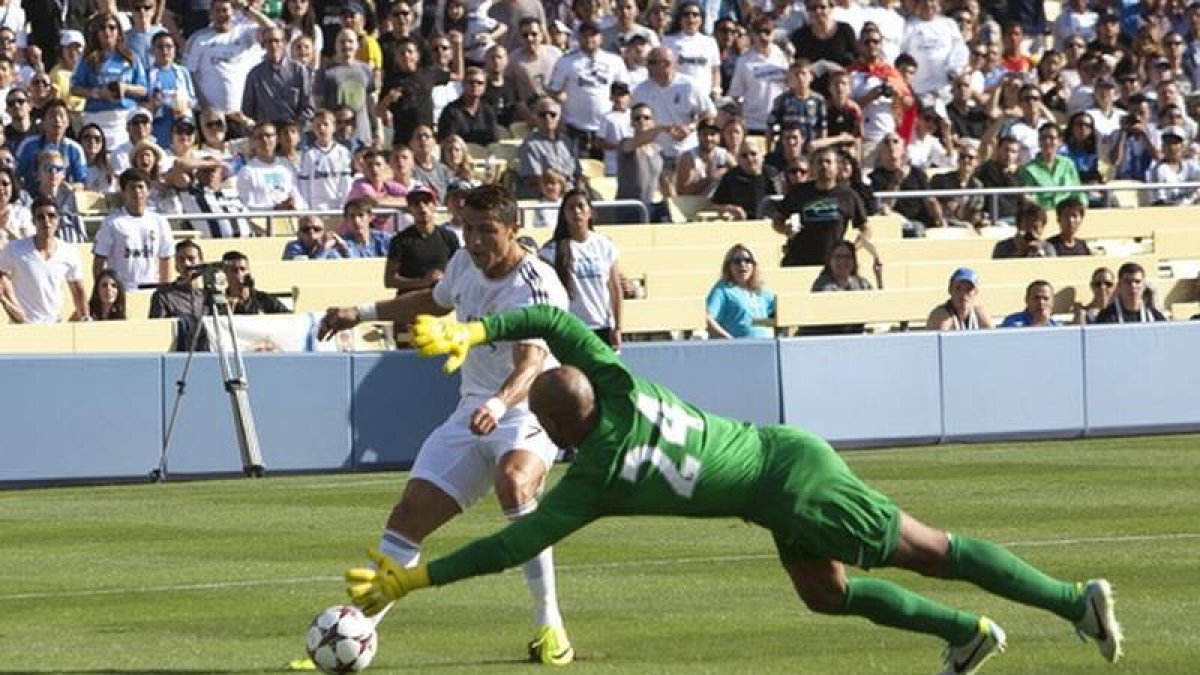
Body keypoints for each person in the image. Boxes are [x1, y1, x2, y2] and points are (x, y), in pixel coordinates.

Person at [333, 302, 1123, 675]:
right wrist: (474, 330)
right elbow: (557, 322)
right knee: (824, 593)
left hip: (798, 487)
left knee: (931, 549)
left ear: (562, 434)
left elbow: (514, 541)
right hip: (777, 463)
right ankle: (966, 634)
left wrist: (419, 574)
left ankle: (1070, 600)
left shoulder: (596, 477)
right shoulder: (615, 380)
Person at [312, 185, 576, 669]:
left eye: (486, 231)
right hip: (471, 413)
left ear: (514, 229)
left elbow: (532, 360)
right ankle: (348, 638)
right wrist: (362, 311)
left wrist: (498, 405)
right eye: (468, 229)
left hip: (526, 412)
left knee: (514, 483)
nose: (474, 241)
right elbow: (434, 301)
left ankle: (549, 624)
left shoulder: (535, 284)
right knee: (408, 516)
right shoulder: (462, 265)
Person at [539, 189, 622, 349]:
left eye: (580, 206)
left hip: (601, 326)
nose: (576, 212)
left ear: (590, 212)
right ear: (564, 214)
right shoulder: (551, 251)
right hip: (570, 328)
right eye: (570, 208)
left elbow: (615, 288)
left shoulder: (604, 245)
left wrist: (618, 326)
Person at [771, 147, 868, 267]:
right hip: (798, 261)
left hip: (832, 266)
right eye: (820, 162)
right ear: (812, 167)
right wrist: (785, 229)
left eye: (828, 162)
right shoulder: (799, 192)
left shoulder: (848, 196)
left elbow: (866, 229)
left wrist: (852, 248)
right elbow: (777, 220)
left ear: (837, 167)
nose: (824, 165)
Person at [0, 196, 88, 324]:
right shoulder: (14, 249)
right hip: (23, 327)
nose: (46, 221)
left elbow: (78, 291)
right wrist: (12, 306)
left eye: (51, 216)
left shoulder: (69, 252)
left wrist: (84, 317)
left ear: (58, 220)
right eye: (40, 217)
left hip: (54, 326)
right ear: (33, 221)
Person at [70, 12, 149, 149]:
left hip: (125, 117)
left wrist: (125, 88)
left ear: (119, 32)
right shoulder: (87, 59)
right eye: (102, 28)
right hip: (97, 116)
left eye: (112, 27)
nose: (107, 32)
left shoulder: (131, 57)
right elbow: (75, 88)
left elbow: (144, 89)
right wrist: (99, 93)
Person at [92, 168, 173, 291]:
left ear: (149, 191)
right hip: (122, 291)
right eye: (132, 187)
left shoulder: (159, 222)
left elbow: (166, 259)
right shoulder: (112, 223)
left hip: (152, 290)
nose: (137, 192)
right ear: (123, 192)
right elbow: (99, 261)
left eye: (141, 187)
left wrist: (165, 292)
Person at [384, 187, 459, 295]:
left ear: (434, 206)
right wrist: (422, 282)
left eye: (426, 202)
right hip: (410, 300)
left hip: (442, 300)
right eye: (416, 203)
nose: (421, 206)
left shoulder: (448, 237)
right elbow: (389, 280)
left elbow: (459, 270)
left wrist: (444, 278)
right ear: (410, 209)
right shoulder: (400, 240)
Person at [241, 26, 314, 131]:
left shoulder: (299, 71)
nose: (273, 45)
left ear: (284, 43)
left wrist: (295, 128)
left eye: (277, 41)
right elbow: (248, 110)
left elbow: (308, 107)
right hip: (267, 136)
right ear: (263, 45)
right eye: (269, 41)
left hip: (293, 133)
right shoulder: (255, 74)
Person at [704, 243, 775, 339]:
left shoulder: (762, 291)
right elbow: (707, 318)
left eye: (747, 260)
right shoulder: (723, 289)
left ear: (754, 265)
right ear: (729, 266)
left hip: (767, 347)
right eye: (737, 261)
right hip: (736, 349)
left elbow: (773, 317)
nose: (742, 264)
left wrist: (758, 325)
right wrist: (729, 340)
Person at [711, 142, 775, 220]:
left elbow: (783, 200)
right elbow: (714, 205)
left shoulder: (773, 174)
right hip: (741, 224)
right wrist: (731, 209)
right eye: (744, 156)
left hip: (769, 224)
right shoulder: (731, 177)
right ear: (738, 159)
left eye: (753, 154)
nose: (749, 158)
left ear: (762, 156)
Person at [149, 238, 206, 320]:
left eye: (191, 258)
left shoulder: (208, 296)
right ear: (176, 265)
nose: (186, 264)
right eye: (181, 260)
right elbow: (158, 329)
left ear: (201, 263)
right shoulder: (163, 296)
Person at [1095, 262, 1168, 324]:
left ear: (1143, 285)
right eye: (1127, 282)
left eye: (1137, 282)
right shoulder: (1106, 317)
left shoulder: (1154, 316)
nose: (1133, 286)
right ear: (1119, 285)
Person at [221, 250, 289, 315]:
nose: (240, 274)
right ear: (225, 273)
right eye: (234, 270)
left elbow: (289, 318)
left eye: (243, 269)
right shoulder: (220, 301)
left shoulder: (263, 300)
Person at [926, 267, 994, 331]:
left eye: (969, 289)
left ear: (976, 292)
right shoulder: (941, 315)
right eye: (958, 288)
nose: (963, 294)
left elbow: (995, 339)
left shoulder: (980, 314)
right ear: (950, 290)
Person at [282, 215, 350, 260]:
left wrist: (344, 249)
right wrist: (324, 249)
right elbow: (309, 271)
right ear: (298, 234)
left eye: (316, 229)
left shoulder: (330, 249)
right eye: (306, 229)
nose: (311, 232)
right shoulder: (293, 247)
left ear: (323, 232)